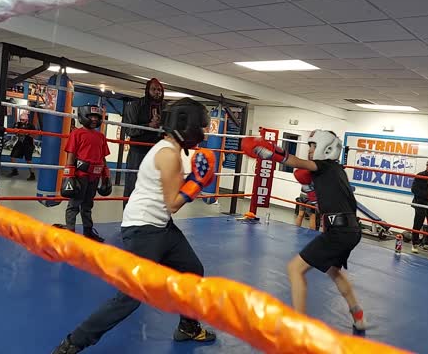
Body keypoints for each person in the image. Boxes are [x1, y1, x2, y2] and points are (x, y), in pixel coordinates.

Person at [52, 98, 217, 354]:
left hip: (162, 226)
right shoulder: (168, 154)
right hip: (143, 230)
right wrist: (197, 182)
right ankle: (73, 343)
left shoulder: (170, 149)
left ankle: (188, 327)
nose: (203, 134)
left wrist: (196, 179)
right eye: (201, 128)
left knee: (192, 269)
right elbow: (174, 203)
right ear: (189, 125)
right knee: (130, 298)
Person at [241, 130, 367, 330]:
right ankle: (358, 316)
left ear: (326, 147)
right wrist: (311, 191)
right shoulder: (337, 171)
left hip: (338, 232)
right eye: (309, 145)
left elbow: (296, 162)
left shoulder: (324, 166)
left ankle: (298, 325)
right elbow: (327, 202)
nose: (310, 150)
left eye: (313, 145)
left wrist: (268, 152)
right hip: (351, 230)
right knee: (335, 272)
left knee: (294, 269)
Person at [60, 105, 110, 243]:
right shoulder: (77, 133)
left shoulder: (101, 136)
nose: (94, 119)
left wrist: (106, 175)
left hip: (95, 176)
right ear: (83, 117)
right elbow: (71, 155)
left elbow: (103, 157)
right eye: (91, 116)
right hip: (80, 176)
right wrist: (69, 175)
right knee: (74, 205)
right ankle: (70, 233)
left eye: (97, 117)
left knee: (88, 205)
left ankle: (88, 231)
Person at [122, 78, 164, 209]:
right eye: (154, 89)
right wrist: (149, 126)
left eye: (159, 90)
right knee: (133, 185)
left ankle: (149, 221)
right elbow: (129, 129)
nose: (157, 92)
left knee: (156, 188)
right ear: (147, 90)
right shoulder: (135, 106)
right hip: (138, 152)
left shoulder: (166, 108)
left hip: (157, 152)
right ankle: (128, 220)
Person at [7, 111, 36, 180]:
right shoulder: (17, 124)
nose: (21, 121)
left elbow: (35, 135)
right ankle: (14, 171)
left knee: (28, 160)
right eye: (21, 120)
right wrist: (16, 132)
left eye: (23, 120)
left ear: (27, 120)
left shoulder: (31, 126)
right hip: (20, 142)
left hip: (29, 144)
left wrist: (26, 133)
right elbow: (13, 132)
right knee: (12, 156)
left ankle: (32, 175)